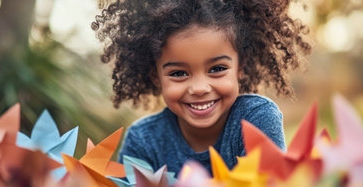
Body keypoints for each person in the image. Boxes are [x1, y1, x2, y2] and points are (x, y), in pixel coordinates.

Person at [91, 0, 311, 176]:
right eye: (178, 73)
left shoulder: (255, 119)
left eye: (217, 69)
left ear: (240, 67)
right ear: (156, 76)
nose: (199, 88)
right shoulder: (143, 140)